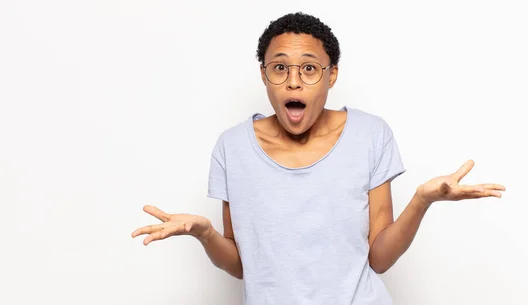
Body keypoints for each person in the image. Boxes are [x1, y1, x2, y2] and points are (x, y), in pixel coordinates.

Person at [131, 12, 506, 305]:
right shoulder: (232, 147)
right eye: (280, 68)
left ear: (331, 76)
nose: (294, 82)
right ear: (264, 75)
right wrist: (205, 233)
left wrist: (422, 201)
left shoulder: (370, 135)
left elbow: (379, 258)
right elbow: (243, 265)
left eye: (309, 68)